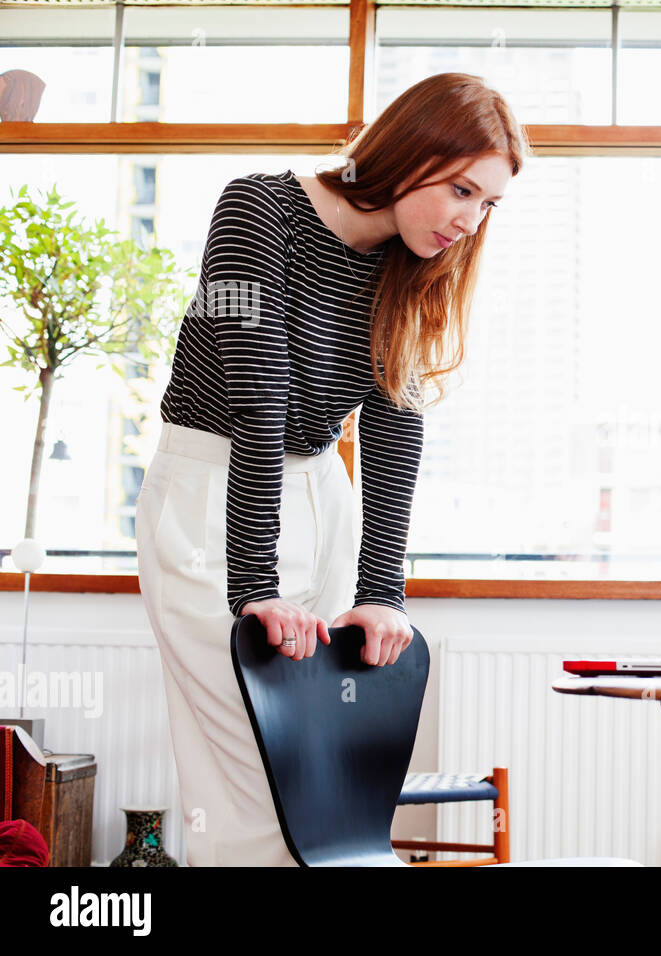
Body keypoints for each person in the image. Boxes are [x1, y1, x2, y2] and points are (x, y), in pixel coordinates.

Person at [135, 73, 528, 866]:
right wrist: (253, 585)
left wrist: (385, 593)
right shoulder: (255, 209)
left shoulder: (413, 263)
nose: (470, 219)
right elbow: (259, 402)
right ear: (412, 150)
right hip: (215, 495)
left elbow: (394, 422)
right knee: (251, 781)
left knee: (320, 778)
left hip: (322, 492)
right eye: (461, 189)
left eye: (487, 203)